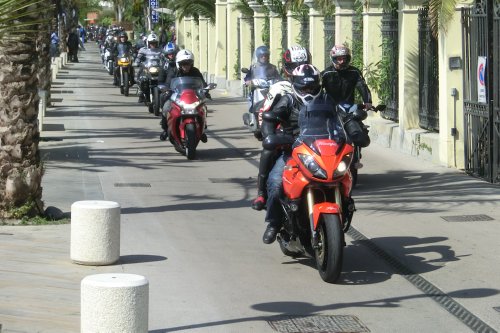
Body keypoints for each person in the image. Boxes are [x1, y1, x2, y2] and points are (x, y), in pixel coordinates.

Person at [251, 45, 312, 211]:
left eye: (303, 64)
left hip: (313, 137)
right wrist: (268, 135)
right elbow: (264, 112)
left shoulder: (316, 83)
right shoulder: (280, 88)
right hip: (285, 135)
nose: (299, 69)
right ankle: (262, 193)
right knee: (269, 153)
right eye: (294, 66)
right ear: (286, 69)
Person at [159, 49, 208, 141]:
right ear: (179, 63)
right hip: (177, 97)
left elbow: (202, 83)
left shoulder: (195, 71)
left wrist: (205, 90)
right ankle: (165, 129)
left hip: (192, 97)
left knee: (203, 108)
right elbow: (168, 83)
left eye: (188, 63)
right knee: (166, 107)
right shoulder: (173, 71)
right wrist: (167, 90)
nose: (186, 66)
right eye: (183, 63)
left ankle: (202, 128)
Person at [321, 45, 372, 110]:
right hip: (330, 109)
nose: (342, 61)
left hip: (349, 108)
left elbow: (362, 86)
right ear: (333, 59)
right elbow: (317, 89)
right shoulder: (326, 73)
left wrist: (367, 101)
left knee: (359, 118)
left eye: (344, 58)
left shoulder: (354, 72)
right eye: (339, 59)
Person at [243, 45, 281, 115]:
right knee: (251, 97)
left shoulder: (272, 67)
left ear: (268, 56)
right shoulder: (254, 67)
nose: (264, 57)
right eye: (262, 56)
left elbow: (278, 77)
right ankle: (252, 115)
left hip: (270, 89)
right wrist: (248, 81)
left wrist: (280, 80)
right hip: (257, 88)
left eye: (265, 55)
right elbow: (248, 76)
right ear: (258, 56)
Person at [134, 33, 165, 103]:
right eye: (151, 43)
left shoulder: (161, 50)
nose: (153, 44)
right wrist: (137, 62)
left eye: (154, 43)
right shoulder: (143, 50)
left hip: (157, 69)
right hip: (147, 68)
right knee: (141, 78)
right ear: (148, 43)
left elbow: (165, 58)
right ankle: (141, 92)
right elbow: (138, 58)